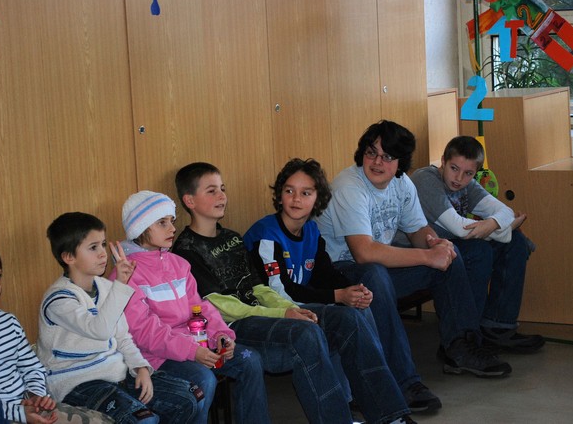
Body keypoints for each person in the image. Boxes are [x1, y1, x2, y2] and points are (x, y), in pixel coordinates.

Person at [172, 162, 416, 424]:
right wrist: (283, 313)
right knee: (307, 333)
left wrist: (291, 309)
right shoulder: (186, 251)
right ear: (189, 201)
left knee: (348, 319)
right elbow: (220, 307)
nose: (221, 196)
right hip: (232, 327)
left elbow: (259, 288)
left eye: (222, 189)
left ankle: (391, 416)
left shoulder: (231, 238)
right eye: (211, 191)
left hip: (264, 314)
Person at [243, 158, 441, 412]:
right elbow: (279, 291)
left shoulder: (311, 231)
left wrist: (353, 291)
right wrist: (338, 296)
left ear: (318, 199)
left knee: (358, 306)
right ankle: (370, 395)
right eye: (289, 191)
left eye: (306, 193)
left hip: (297, 303)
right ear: (279, 196)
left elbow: (326, 274)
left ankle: (367, 389)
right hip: (272, 311)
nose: (296, 199)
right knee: (343, 315)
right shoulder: (267, 234)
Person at [316, 119, 512, 377]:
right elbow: (364, 253)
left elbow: (417, 229)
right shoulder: (350, 187)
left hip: (377, 268)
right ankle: (403, 378)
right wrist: (427, 256)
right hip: (340, 273)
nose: (377, 162)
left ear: (400, 162)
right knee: (375, 273)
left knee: (451, 255)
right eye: (371, 153)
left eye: (388, 156)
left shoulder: (402, 183)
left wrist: (437, 245)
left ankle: (461, 348)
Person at [110, 190, 269, 424]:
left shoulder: (178, 264)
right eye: (162, 223)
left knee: (249, 360)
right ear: (140, 228)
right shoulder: (126, 274)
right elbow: (144, 332)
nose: (172, 228)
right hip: (157, 357)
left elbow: (200, 307)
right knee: (203, 380)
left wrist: (221, 335)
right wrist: (192, 351)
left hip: (195, 343)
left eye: (171, 221)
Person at [37, 212, 200, 423]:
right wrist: (121, 285)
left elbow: (122, 336)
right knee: (144, 420)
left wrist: (140, 367)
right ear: (69, 257)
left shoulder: (105, 287)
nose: (102, 253)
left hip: (115, 374)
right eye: (93, 247)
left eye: (103, 245)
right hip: (77, 383)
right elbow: (100, 330)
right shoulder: (59, 300)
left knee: (189, 398)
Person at [410, 135, 544, 353]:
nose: (459, 178)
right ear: (443, 161)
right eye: (454, 168)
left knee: (516, 241)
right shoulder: (426, 179)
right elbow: (460, 229)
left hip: (453, 243)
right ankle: (465, 337)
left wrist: (495, 224)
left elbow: (505, 211)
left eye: (468, 173)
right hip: (420, 249)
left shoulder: (468, 185)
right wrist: (505, 227)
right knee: (479, 250)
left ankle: (497, 327)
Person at [0, 242, 114, 424]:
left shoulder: (8, 322)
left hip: (29, 406)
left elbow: (32, 367)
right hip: (1, 416)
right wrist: (21, 413)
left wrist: (36, 396)